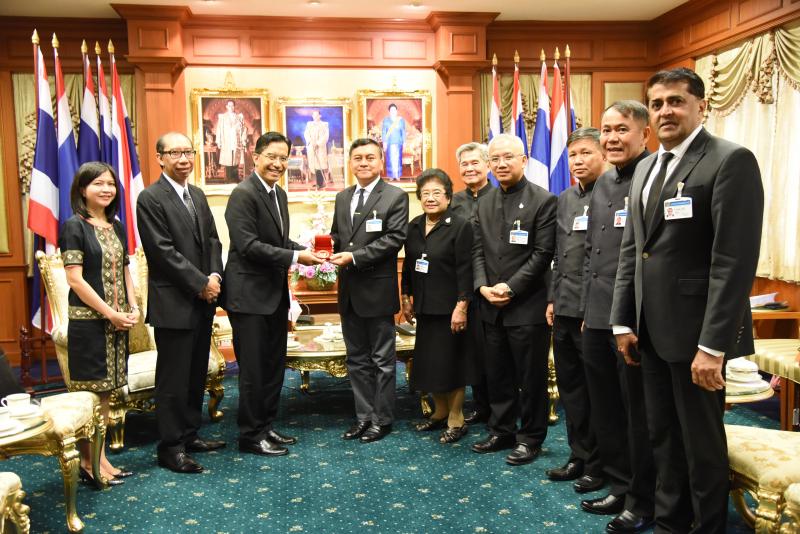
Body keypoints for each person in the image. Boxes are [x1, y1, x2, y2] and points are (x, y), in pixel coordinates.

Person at [610, 68, 763, 533]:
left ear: (701, 106)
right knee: (663, 435)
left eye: (676, 101)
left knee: (701, 444)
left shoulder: (729, 160)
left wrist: (713, 346)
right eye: (657, 104)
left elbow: (733, 262)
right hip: (650, 332)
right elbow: (634, 251)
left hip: (698, 336)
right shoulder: (646, 167)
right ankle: (671, 522)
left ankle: (708, 526)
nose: (665, 111)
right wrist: (623, 321)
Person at [223, 132, 324, 457]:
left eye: (283, 158)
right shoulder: (243, 194)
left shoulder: (278, 194)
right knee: (254, 371)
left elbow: (277, 242)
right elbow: (248, 246)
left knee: (272, 366)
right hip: (249, 298)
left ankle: (265, 426)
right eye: (272, 156)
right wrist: (296, 256)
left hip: (273, 295)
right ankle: (250, 436)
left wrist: (306, 250)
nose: (278, 164)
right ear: (256, 157)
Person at [581, 101, 656, 533]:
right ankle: (619, 484)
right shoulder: (604, 181)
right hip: (596, 314)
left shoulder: (653, 174)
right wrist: (589, 312)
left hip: (631, 319)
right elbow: (592, 252)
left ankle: (642, 498)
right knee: (605, 408)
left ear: (644, 133)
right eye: (606, 130)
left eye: (622, 129)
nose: (611, 138)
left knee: (637, 413)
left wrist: (623, 318)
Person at [137, 132, 225, 474]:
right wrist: (200, 284)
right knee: (173, 380)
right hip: (174, 304)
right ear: (160, 158)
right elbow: (162, 252)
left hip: (203, 301)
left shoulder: (197, 195)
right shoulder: (150, 198)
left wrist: (214, 276)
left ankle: (190, 435)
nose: (184, 158)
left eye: (188, 151)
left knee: (195, 374)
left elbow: (213, 241)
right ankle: (171, 447)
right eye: (175, 153)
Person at [471, 133, 556, 466]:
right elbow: (477, 250)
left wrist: (510, 287)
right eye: (495, 159)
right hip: (490, 306)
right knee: (497, 373)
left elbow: (542, 254)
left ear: (523, 160)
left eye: (508, 157)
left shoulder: (543, 200)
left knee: (530, 378)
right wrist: (482, 287)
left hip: (527, 305)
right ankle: (501, 430)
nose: (501, 164)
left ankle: (531, 437)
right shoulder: (484, 202)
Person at [60, 162, 137, 487]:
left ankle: (100, 459)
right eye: (98, 184)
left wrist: (133, 306)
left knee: (106, 395)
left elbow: (125, 270)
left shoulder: (116, 225)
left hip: (116, 325)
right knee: (91, 397)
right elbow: (75, 280)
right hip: (89, 326)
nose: (106, 189)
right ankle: (88, 462)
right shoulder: (74, 226)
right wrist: (110, 313)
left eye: (110, 184)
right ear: (82, 189)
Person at [329, 138, 409, 443]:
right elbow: (338, 236)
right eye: (358, 158)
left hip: (377, 292)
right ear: (350, 162)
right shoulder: (342, 197)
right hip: (348, 291)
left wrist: (353, 257)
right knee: (356, 360)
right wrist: (324, 249)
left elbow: (394, 239)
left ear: (381, 161)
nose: (363, 162)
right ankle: (363, 417)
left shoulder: (395, 196)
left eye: (370, 157)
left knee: (382, 361)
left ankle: (382, 419)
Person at [544, 128, 604, 489]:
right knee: (572, 390)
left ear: (603, 154)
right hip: (563, 308)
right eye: (573, 155)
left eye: (586, 153)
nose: (578, 161)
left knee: (597, 394)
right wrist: (553, 298)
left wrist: (587, 310)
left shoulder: (611, 193)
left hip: (591, 313)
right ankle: (578, 455)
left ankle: (600, 463)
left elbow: (600, 261)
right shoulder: (565, 198)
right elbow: (559, 255)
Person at [401, 168, 475, 443]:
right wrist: (406, 298)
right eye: (425, 193)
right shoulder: (414, 226)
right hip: (424, 307)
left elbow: (466, 270)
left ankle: (456, 418)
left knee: (451, 364)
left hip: (450, 308)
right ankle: (440, 412)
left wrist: (462, 306)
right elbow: (409, 266)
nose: (430, 198)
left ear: (448, 197)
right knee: (431, 363)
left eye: (436, 193)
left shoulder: (460, 225)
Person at [450, 142, 493, 425]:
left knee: (495, 351)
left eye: (475, 162)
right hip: (463, 284)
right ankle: (480, 404)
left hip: (494, 284)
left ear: (488, 165)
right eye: (464, 164)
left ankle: (501, 405)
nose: (469, 168)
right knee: (472, 350)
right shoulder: (453, 202)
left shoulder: (499, 196)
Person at [217, 100, 246, 182]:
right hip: (226, 141)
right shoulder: (222, 117)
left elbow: (243, 129)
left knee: (235, 159)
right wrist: (219, 141)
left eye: (232, 105)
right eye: (229, 106)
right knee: (228, 159)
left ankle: (235, 178)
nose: (231, 107)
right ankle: (228, 178)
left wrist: (243, 140)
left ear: (234, 107)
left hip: (236, 141)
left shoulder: (239, 117)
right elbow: (219, 129)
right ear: (226, 107)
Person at [304, 110, 330, 190]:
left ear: (320, 116)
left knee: (320, 165)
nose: (315, 117)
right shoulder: (309, 124)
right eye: (313, 115)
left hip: (320, 147)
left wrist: (318, 143)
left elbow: (326, 136)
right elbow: (306, 134)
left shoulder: (324, 124)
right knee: (313, 165)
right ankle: (317, 182)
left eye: (316, 115)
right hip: (311, 147)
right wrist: (311, 142)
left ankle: (321, 183)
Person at [381, 103, 406, 180]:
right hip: (389, 143)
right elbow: (384, 132)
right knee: (390, 160)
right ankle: (391, 176)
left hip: (398, 142)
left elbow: (403, 132)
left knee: (398, 159)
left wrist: (404, 142)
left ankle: (398, 175)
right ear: (389, 111)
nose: (393, 111)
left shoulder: (401, 120)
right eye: (391, 110)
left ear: (396, 111)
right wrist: (384, 142)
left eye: (394, 110)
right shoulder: (386, 120)